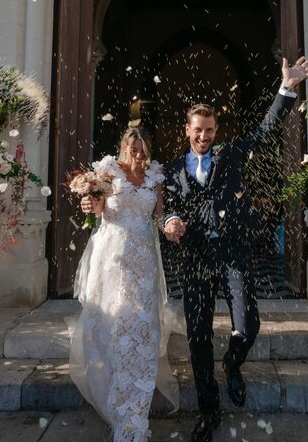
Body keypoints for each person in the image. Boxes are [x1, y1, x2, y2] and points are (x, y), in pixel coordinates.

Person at [162, 56, 308, 442]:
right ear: (187, 130)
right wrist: (170, 223)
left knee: (247, 325)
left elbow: (266, 131)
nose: (204, 136)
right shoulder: (170, 170)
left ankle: (232, 362)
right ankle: (209, 411)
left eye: (210, 130)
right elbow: (165, 209)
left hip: (233, 252)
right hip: (195, 258)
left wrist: (288, 88)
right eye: (198, 130)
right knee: (197, 337)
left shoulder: (231, 154)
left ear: (216, 130)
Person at [71, 128, 181, 441]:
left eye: (143, 149)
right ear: (123, 147)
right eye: (133, 148)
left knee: (141, 327)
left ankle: (135, 416)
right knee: (110, 327)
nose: (138, 154)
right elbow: (98, 209)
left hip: (143, 260)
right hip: (111, 258)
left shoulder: (156, 176)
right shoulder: (106, 171)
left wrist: (170, 225)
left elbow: (158, 216)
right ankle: (115, 405)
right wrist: (90, 207)